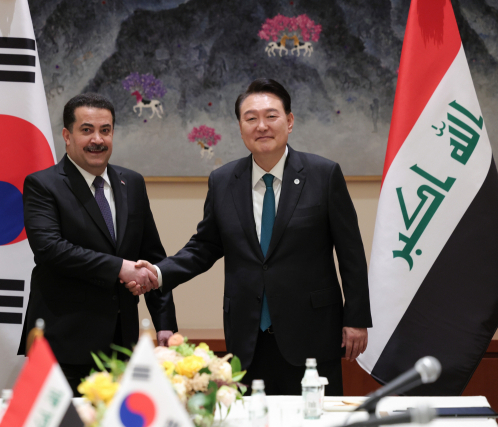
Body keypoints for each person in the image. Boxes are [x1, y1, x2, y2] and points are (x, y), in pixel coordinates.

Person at [137, 79, 372, 396]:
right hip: (247, 337)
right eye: (251, 118)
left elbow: (351, 253)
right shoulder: (223, 181)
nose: (261, 126)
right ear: (240, 127)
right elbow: (204, 246)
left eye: (271, 116)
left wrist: (356, 318)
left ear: (289, 121)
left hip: (312, 332)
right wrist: (158, 272)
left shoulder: (323, 174)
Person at [18, 93, 178, 395]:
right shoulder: (43, 184)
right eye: (87, 130)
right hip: (64, 343)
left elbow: (152, 257)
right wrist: (119, 268)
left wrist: (165, 324)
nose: (97, 139)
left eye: (105, 130)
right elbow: (50, 249)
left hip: (123, 343)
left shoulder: (132, 183)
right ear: (67, 136)